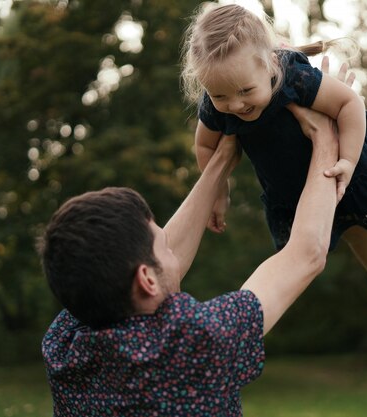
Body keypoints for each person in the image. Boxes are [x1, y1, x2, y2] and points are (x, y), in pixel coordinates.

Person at [38, 93, 341, 415]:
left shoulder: (62, 345)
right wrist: (325, 137)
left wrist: (222, 159)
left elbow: (132, 265)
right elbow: (306, 253)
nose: (173, 252)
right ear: (145, 279)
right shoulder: (191, 343)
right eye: (164, 246)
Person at [180, 3, 367, 332]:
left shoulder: (294, 77)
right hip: (297, 191)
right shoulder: (218, 100)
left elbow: (348, 103)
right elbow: (204, 145)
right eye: (220, 96)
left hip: (350, 166)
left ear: (269, 63)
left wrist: (348, 161)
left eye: (245, 91)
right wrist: (219, 193)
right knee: (357, 233)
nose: (235, 105)